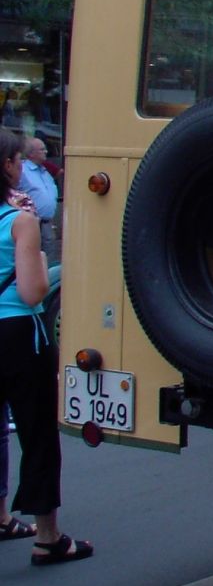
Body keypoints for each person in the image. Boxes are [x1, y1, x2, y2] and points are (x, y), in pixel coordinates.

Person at [0, 130, 93, 564]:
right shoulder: (18, 221)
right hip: (18, 335)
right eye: (19, 159)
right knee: (37, 434)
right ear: (8, 166)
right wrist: (35, 249)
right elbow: (34, 292)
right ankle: (47, 535)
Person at [17, 137, 59, 265]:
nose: (46, 151)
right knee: (33, 261)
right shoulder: (22, 170)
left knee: (49, 260)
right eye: (42, 149)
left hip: (47, 223)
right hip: (33, 223)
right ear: (31, 154)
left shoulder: (44, 171)